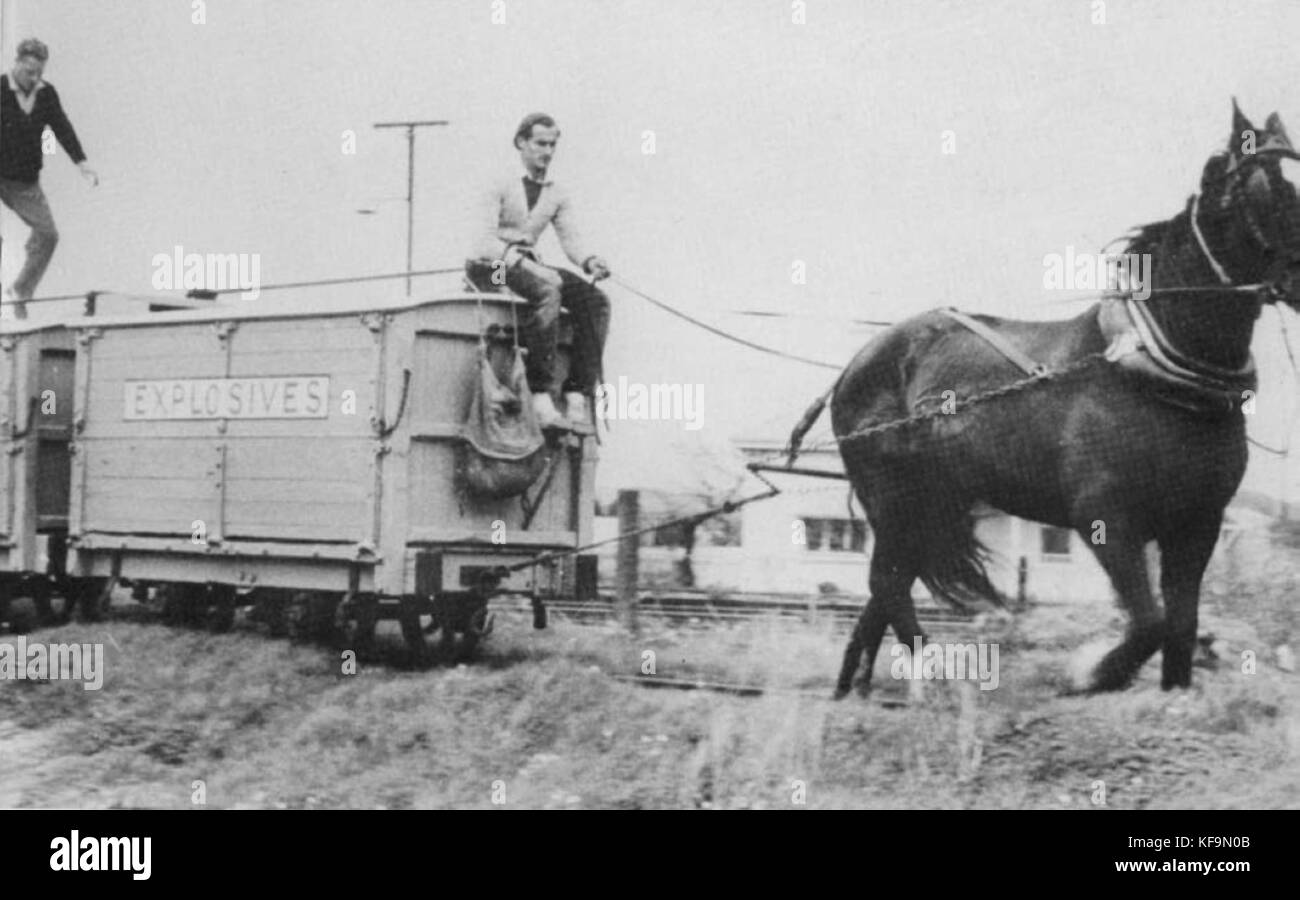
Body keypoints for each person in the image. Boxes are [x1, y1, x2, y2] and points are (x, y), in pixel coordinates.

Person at [465, 112, 611, 430]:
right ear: (521, 143)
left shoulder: (556, 192)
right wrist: (527, 265)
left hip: (528, 265)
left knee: (596, 301)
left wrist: (589, 261)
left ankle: (577, 392)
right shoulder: (498, 182)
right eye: (540, 143)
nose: (547, 151)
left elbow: (570, 237)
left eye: (552, 144)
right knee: (547, 289)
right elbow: (483, 241)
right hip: (491, 269)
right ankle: (540, 392)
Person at [0, 38, 98, 319]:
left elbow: (61, 127)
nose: (35, 78)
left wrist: (82, 163)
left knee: (48, 235)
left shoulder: (46, 93)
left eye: (39, 72)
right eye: (30, 72)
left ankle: (20, 290)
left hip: (25, 181)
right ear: (17, 64)